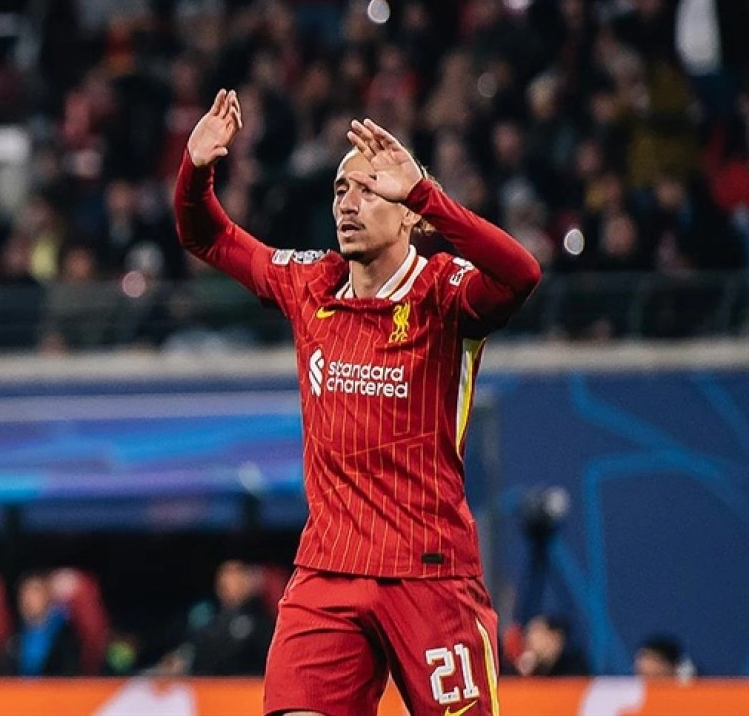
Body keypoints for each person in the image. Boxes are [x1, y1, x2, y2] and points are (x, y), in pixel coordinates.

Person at [176, 90, 541, 716]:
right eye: (341, 190)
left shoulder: (443, 293)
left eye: (370, 190)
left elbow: (522, 274)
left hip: (429, 570)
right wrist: (196, 170)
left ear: (408, 214)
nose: (348, 203)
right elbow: (206, 236)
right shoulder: (310, 282)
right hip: (330, 567)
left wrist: (427, 194)